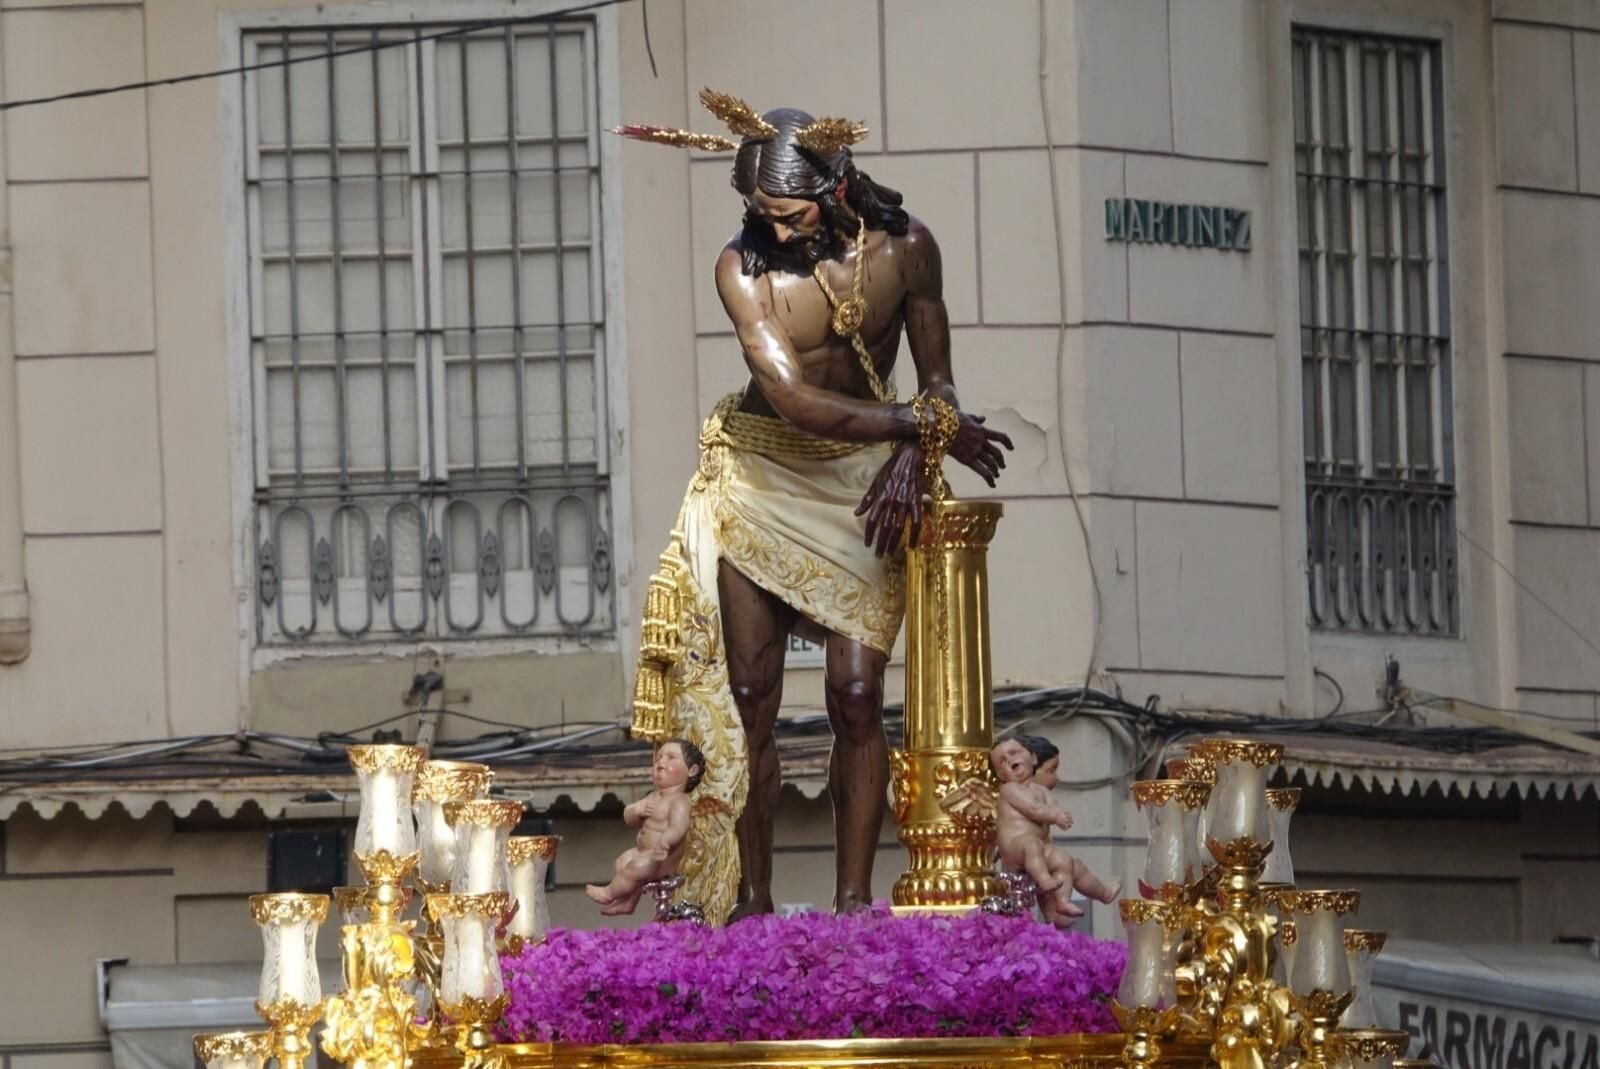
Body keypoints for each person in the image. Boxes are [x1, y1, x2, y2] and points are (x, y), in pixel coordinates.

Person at [618, 89, 1013, 921]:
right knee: (751, 695)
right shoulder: (743, 268)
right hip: (762, 474)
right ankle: (751, 902)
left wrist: (915, 446)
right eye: (760, 213)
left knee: (858, 694)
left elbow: (939, 380)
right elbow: (793, 399)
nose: (776, 230)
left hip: (866, 481)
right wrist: (918, 427)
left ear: (835, 189)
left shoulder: (909, 249)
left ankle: (853, 905)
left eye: (790, 214)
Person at [992, 735, 1121, 927]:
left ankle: (1068, 901)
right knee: (1032, 845)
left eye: (1014, 753)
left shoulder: (1041, 791)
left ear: (1033, 759)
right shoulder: (1010, 789)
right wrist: (1054, 816)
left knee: (1065, 860)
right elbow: (1034, 809)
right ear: (999, 774)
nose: (1009, 760)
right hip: (1017, 848)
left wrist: (1061, 814)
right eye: (1001, 761)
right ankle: (1046, 885)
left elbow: (1052, 806)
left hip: (1039, 849)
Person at [585, 740, 705, 917]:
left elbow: (678, 828)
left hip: (662, 858)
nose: (661, 763)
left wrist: (665, 841)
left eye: (671, 758)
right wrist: (635, 810)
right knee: (622, 862)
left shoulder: (679, 802)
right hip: (644, 852)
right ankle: (628, 902)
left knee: (634, 867)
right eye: (659, 758)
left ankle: (609, 893)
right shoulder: (653, 797)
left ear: (691, 770)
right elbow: (629, 819)